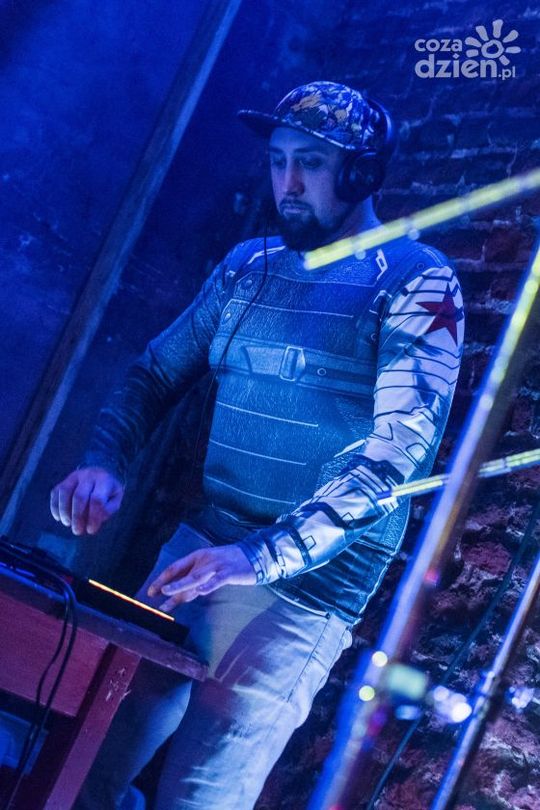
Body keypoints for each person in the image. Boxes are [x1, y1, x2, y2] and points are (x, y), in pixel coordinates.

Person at [50, 81, 464, 809]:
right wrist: (104, 461)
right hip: (200, 553)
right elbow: (154, 374)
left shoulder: (419, 282)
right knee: (85, 761)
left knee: (201, 794)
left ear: (362, 174)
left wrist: (259, 558)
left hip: (307, 593)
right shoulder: (248, 266)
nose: (288, 183)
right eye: (278, 160)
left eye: (311, 162)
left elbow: (392, 460)